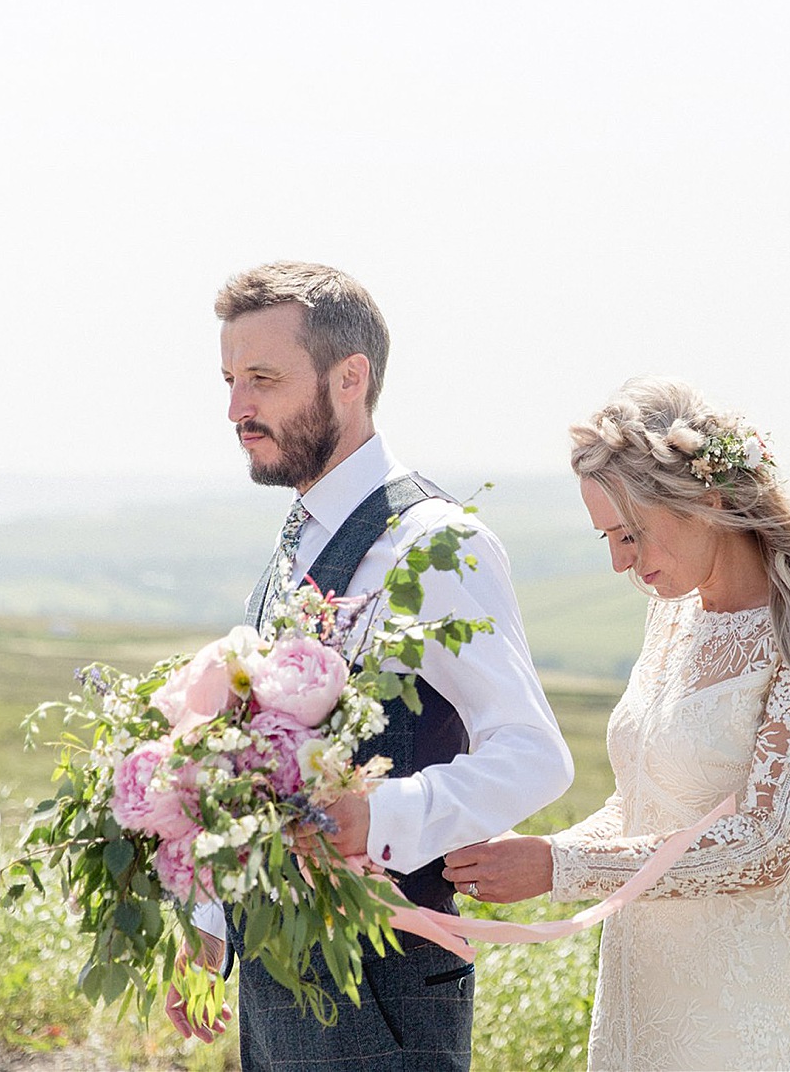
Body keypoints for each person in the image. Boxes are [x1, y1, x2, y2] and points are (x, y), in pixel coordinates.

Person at [442, 377, 790, 1071]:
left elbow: (767, 841)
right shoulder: (673, 614)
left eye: (630, 532)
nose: (619, 560)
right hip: (640, 996)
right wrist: (531, 854)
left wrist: (561, 865)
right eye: (608, 537)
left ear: (707, 500)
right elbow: (644, 800)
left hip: (743, 1016)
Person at [164, 261, 574, 1071]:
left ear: (350, 378)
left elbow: (535, 755)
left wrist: (379, 816)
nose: (237, 408)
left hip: (386, 988)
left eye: (263, 379)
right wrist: (210, 925)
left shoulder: (435, 546)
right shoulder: (299, 534)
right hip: (278, 990)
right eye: (230, 380)